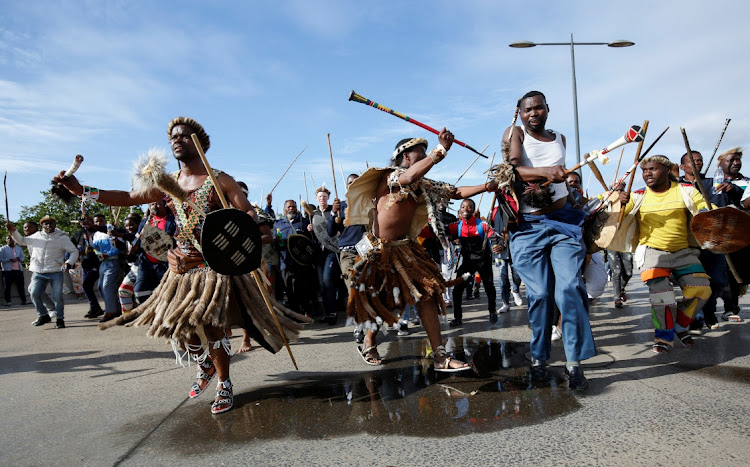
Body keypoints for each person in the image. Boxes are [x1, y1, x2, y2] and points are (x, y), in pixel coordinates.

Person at [54, 116, 309, 414]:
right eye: (173, 137)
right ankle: (205, 366)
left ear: (200, 142)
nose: (177, 140)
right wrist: (81, 190)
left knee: (214, 329)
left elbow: (249, 215)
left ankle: (224, 382)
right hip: (180, 267)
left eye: (185, 136)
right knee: (180, 326)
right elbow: (127, 197)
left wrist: (234, 233)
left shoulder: (220, 179)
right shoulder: (167, 183)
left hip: (213, 267)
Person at [343, 129, 497, 370]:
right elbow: (407, 178)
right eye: (421, 153)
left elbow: (454, 192)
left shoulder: (422, 184)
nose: (426, 156)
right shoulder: (390, 178)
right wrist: (440, 151)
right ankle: (369, 342)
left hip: (407, 250)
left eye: (428, 152)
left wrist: (487, 186)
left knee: (427, 295)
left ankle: (439, 356)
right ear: (405, 157)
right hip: (379, 251)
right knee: (381, 301)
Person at [504, 91, 595, 390]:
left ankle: (575, 363)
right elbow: (514, 170)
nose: (534, 113)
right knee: (541, 294)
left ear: (547, 109)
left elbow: (564, 188)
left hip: (563, 224)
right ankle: (539, 358)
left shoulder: (561, 139)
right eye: (528, 109)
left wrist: (580, 206)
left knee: (570, 288)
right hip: (527, 227)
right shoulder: (514, 133)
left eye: (539, 108)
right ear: (520, 112)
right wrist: (546, 172)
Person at [615, 155, 712, 353]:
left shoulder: (686, 190)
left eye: (653, 169)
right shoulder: (638, 195)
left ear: (668, 171)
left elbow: (705, 210)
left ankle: (680, 325)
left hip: (683, 252)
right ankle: (664, 336)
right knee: (663, 297)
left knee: (702, 290)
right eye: (644, 170)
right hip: (652, 254)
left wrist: (717, 216)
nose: (647, 174)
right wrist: (619, 202)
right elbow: (615, 219)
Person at [7, 216, 78, 328]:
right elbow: (21, 241)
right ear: (42, 226)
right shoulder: (36, 236)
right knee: (34, 293)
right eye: (46, 224)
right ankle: (43, 315)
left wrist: (69, 262)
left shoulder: (62, 238)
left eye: (51, 223)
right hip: (39, 272)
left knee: (57, 296)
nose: (48, 226)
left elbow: (74, 251)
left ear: (55, 225)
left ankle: (60, 319)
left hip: (55, 271)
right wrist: (14, 231)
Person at [679, 150, 722, 330]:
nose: (697, 163)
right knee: (696, 282)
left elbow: (719, 206)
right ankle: (696, 318)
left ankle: (709, 312)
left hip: (711, 240)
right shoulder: (676, 186)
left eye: (699, 160)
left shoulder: (713, 184)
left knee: (718, 280)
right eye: (692, 160)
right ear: (682, 167)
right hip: (688, 242)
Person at [328, 173, 368, 341]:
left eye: (356, 182)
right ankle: (358, 324)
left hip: (367, 251)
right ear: (346, 186)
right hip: (348, 253)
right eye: (350, 183)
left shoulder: (368, 203)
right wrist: (333, 212)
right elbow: (330, 232)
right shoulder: (342, 206)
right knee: (352, 285)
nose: (353, 185)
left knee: (368, 288)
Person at [448, 198, 497, 326]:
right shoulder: (457, 226)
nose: (465, 209)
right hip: (467, 263)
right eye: (463, 207)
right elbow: (438, 232)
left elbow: (494, 235)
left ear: (473, 210)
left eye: (469, 207)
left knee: (489, 287)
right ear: (459, 210)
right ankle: (457, 318)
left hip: (483, 261)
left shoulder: (482, 225)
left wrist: (498, 244)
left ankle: (492, 311)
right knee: (457, 290)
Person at [712, 147, 748, 322]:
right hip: (719, 238)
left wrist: (734, 190)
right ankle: (730, 309)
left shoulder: (747, 182)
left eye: (738, 160)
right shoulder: (710, 182)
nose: (736, 163)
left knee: (740, 274)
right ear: (721, 162)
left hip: (743, 236)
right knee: (726, 274)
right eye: (732, 160)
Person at [273, 199, 322, 317]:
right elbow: (275, 245)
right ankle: (294, 314)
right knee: (290, 289)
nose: (292, 208)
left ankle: (308, 312)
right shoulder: (278, 224)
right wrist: (276, 241)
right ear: (285, 209)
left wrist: (312, 231)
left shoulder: (304, 222)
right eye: (289, 206)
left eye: (294, 206)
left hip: (302, 262)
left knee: (305, 288)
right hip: (286, 262)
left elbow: (313, 242)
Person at [312, 184, 343, 325]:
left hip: (332, 251)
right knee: (321, 284)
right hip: (319, 253)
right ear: (316, 199)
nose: (322, 199)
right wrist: (309, 229)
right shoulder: (314, 214)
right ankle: (327, 312)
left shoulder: (334, 211)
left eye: (324, 197)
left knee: (328, 280)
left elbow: (340, 228)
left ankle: (333, 312)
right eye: (320, 197)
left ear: (328, 198)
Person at [90, 213, 124, 322]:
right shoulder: (95, 235)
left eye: (101, 221)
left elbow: (118, 247)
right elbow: (95, 248)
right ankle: (114, 308)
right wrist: (95, 250)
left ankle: (110, 311)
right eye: (96, 221)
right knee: (101, 287)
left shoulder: (110, 231)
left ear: (104, 221)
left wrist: (108, 254)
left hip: (113, 261)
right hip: (103, 263)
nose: (98, 223)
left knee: (107, 286)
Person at [71, 216, 104, 318]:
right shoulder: (78, 234)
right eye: (81, 222)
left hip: (99, 263)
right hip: (86, 264)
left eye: (86, 221)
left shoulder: (98, 232)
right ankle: (95, 308)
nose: (84, 223)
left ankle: (112, 307)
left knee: (102, 287)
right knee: (86, 286)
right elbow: (69, 245)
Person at [0, 235, 28, 306]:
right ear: (6, 240)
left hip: (18, 270)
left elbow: (23, 257)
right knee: (7, 286)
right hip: (7, 270)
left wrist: (19, 259)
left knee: (21, 286)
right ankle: (8, 301)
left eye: (12, 239)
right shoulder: (2, 249)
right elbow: (1, 259)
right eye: (9, 239)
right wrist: (9, 260)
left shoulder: (18, 248)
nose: (11, 240)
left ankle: (24, 300)